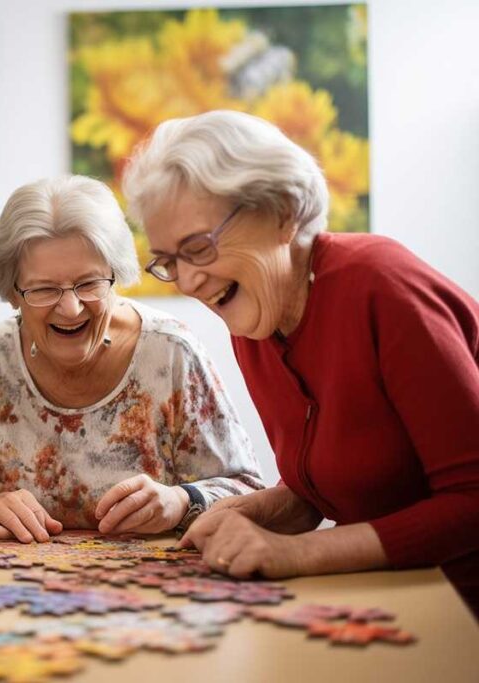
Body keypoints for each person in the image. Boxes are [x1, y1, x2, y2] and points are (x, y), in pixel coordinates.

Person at [122, 109, 479, 614]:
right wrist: (255, 510)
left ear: (284, 212)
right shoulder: (255, 320)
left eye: (197, 247)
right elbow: (333, 482)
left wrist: (292, 553)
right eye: (168, 261)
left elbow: (473, 500)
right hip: (392, 599)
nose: (185, 282)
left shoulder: (381, 285)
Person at [0, 175, 263, 543]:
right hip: (22, 589)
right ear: (13, 292)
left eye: (89, 283)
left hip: (153, 587)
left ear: (117, 275)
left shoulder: (172, 353)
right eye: (44, 289)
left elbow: (250, 489)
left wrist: (181, 501)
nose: (71, 307)